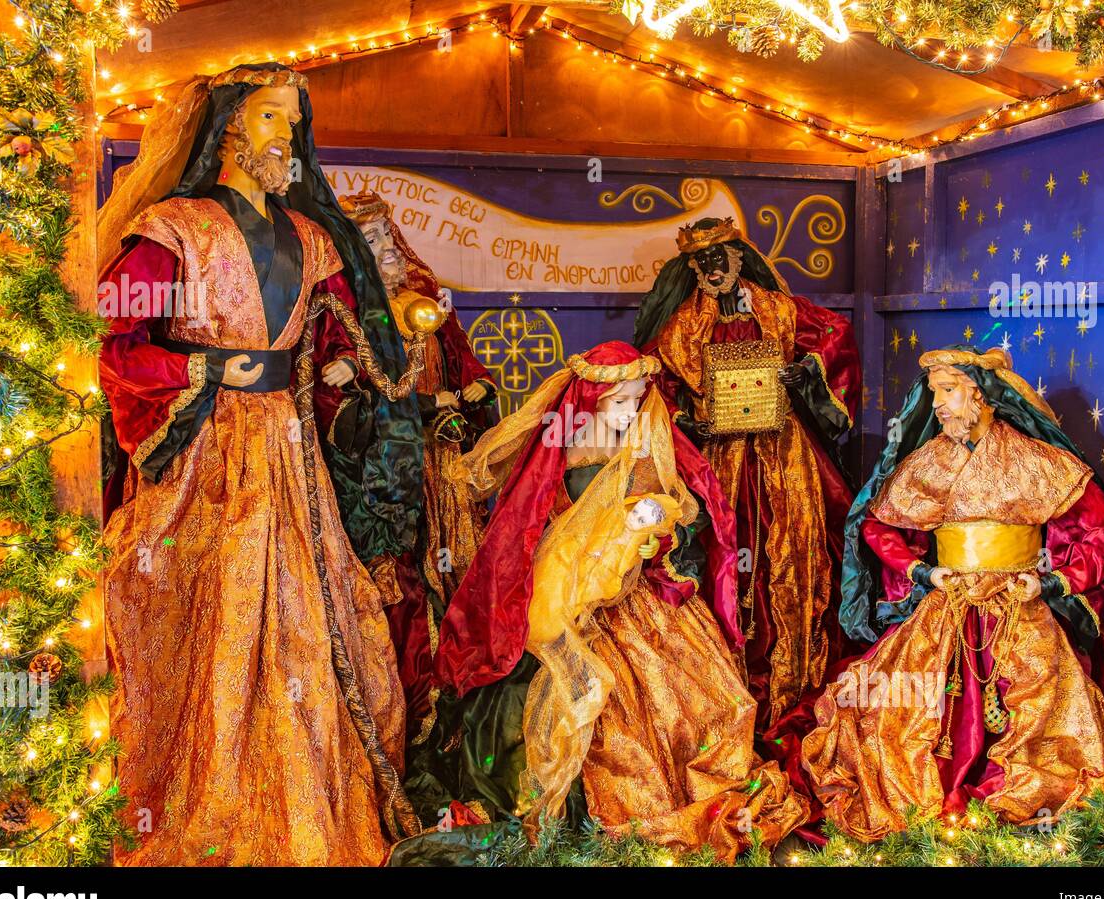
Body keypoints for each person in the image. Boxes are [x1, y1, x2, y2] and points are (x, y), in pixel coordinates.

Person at [96, 64, 422, 864]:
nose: (289, 135)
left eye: (294, 121)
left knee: (306, 619)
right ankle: (206, 801)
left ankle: (305, 803)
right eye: (273, 116)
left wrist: (358, 379)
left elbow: (345, 336)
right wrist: (199, 371)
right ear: (230, 127)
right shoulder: (175, 229)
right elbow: (114, 341)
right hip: (208, 450)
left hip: (288, 450)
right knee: (208, 615)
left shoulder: (312, 241)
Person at [432, 342, 808, 860]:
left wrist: (655, 530)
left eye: (637, 400)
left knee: (691, 701)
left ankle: (663, 797)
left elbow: (682, 507)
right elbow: (527, 518)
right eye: (619, 403)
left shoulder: (646, 442)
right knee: (548, 681)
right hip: (564, 585)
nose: (631, 413)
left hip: (634, 591)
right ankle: (561, 802)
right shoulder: (560, 446)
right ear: (591, 399)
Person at [802, 347, 1104, 841]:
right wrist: (921, 571)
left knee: (1043, 701)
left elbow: (1100, 534)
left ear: (980, 395)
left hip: (1016, 606)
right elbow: (877, 526)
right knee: (897, 710)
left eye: (947, 390)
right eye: (934, 392)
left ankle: (1016, 789)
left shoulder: (1036, 461)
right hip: (948, 601)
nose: (936, 403)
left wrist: (1048, 582)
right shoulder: (927, 462)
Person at [633, 216, 862, 799]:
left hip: (785, 455)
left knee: (795, 552)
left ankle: (792, 678)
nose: (714, 269)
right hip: (723, 462)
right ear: (693, 271)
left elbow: (834, 337)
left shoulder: (781, 311)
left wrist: (802, 376)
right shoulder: (684, 326)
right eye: (702, 263)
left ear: (739, 258)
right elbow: (658, 383)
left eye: (722, 258)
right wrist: (692, 418)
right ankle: (734, 682)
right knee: (726, 559)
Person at [340, 191, 497, 743]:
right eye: (369, 242)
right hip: (395, 461)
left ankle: (466, 685)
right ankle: (413, 705)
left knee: (456, 558)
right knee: (407, 573)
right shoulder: (351, 315)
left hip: (442, 455)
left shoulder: (422, 299)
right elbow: (358, 391)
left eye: (386, 237)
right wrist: (420, 407)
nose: (383, 249)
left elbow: (458, 351)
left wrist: (473, 383)